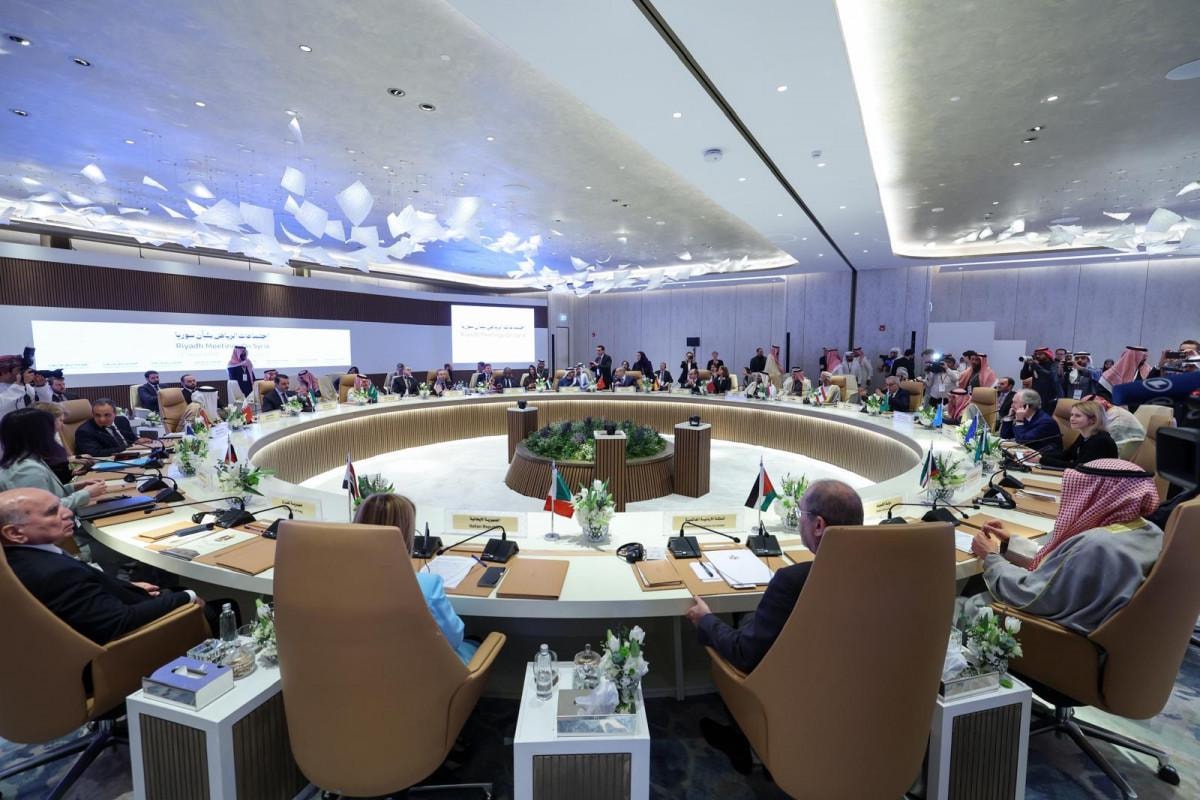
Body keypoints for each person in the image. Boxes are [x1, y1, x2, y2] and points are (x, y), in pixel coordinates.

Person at [686, 479, 863, 674]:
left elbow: (744, 654)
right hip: (860, 677)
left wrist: (705, 620)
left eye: (801, 513)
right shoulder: (879, 574)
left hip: (789, 682)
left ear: (819, 525)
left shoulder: (792, 581)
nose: (799, 520)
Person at [969, 460, 1161, 634]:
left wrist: (991, 557)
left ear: (1100, 495)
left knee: (970, 604)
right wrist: (1011, 543)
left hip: (1062, 637)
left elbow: (1030, 594)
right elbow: (1065, 567)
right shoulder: (1151, 530)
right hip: (1110, 631)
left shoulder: (1096, 544)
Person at [0, 487, 208, 644]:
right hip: (136, 644)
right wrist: (186, 597)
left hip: (122, 604)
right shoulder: (54, 574)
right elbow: (117, 623)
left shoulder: (21, 556)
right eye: (52, 511)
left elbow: (85, 590)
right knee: (215, 606)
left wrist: (124, 587)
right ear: (14, 533)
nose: (67, 513)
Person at [354, 493, 477, 664]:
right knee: (473, 642)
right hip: (424, 674)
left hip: (357, 670)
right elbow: (454, 639)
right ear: (405, 534)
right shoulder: (426, 587)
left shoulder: (335, 585)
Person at [0, 408, 107, 512]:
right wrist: (85, 494)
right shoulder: (26, 470)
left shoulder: (29, 458)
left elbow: (48, 494)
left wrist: (74, 487)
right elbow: (45, 510)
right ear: (37, 434)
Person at [1037, 400, 1118, 468]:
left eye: (1077, 416)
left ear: (1093, 419)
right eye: (1072, 415)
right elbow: (1067, 455)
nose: (1072, 419)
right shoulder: (1084, 435)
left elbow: (1079, 467)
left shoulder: (1100, 441)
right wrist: (1039, 455)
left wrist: (1041, 460)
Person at [73, 398, 153, 457]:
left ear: (115, 413)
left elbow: (132, 439)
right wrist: (129, 447)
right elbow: (96, 453)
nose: (102, 419)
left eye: (107, 415)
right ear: (93, 414)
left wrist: (138, 441)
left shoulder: (122, 421)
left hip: (131, 456)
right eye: (97, 415)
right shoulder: (85, 431)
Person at [1, 354, 36, 425]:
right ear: (4, 372)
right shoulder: (19, 385)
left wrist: (41, 386)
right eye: (19, 370)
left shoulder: (24, 384)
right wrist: (19, 386)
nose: (21, 373)